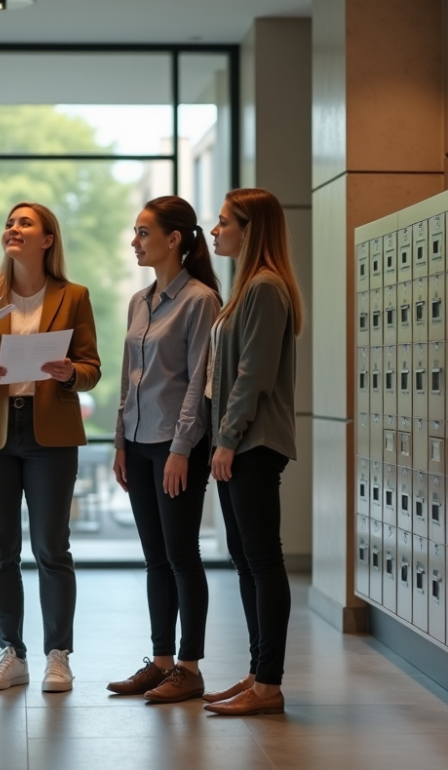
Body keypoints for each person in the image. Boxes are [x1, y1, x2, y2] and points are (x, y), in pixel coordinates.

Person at [0, 202, 101, 693]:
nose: (13, 229)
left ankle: (58, 655)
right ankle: (11, 652)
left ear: (47, 240)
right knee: (1, 551)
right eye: (10, 223)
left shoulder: (73, 295)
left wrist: (70, 374)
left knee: (52, 548)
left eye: (25, 223)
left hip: (50, 435)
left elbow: (91, 365)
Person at [107, 196, 220, 703]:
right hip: (138, 440)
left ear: (174, 239)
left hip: (178, 448)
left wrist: (180, 449)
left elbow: (200, 381)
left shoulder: (200, 300)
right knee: (155, 558)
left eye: (143, 233)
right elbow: (129, 379)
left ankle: (190, 668)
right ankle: (160, 661)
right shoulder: (139, 300)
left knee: (181, 555)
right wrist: (119, 442)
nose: (135, 241)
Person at [201, 188, 305, 716]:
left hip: (253, 443)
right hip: (241, 442)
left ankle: (269, 683)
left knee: (262, 562)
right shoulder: (248, 288)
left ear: (250, 228)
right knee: (246, 561)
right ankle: (256, 673)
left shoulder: (265, 288)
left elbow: (252, 377)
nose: (214, 231)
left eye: (223, 222)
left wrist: (226, 439)